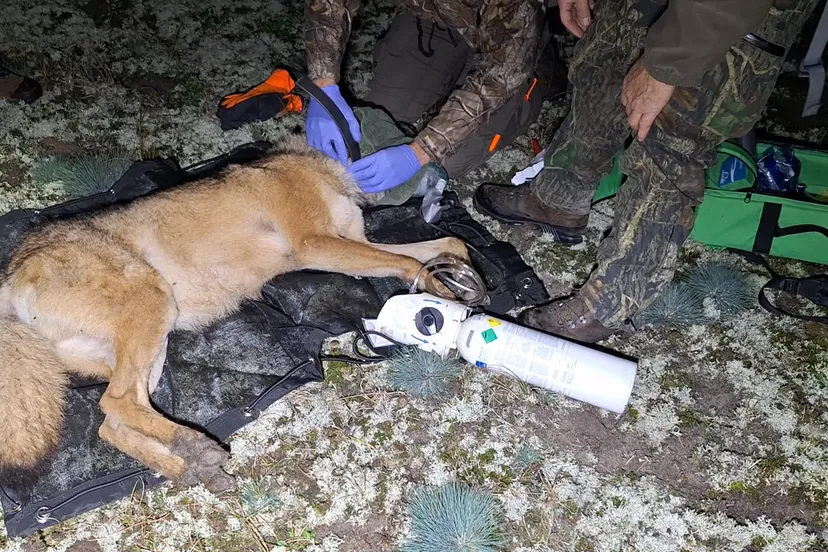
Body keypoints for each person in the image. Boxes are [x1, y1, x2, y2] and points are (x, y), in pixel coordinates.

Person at [473, 0, 820, 343]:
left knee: (673, 140)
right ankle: (560, 197)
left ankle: (612, 300)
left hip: (725, 15)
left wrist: (668, 64)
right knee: (604, 66)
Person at [303, 0, 567, 192]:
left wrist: (421, 152)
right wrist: (323, 84)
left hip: (509, 45)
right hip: (437, 20)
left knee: (446, 162)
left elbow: (501, 74)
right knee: (384, 126)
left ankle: (544, 68)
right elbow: (329, 5)